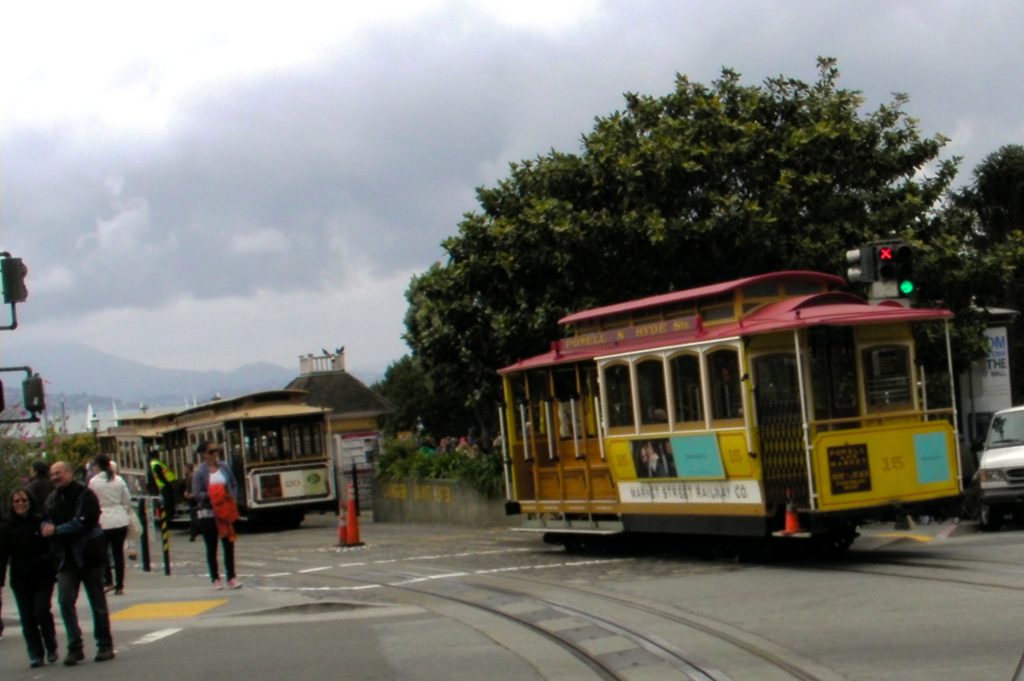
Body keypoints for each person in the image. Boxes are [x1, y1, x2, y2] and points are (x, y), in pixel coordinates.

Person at [41, 461, 115, 665]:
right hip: (66, 560)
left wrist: (57, 530)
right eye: (52, 474)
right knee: (65, 601)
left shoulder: (85, 495)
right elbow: (45, 521)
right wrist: (46, 528)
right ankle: (75, 647)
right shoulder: (51, 499)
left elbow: (84, 522)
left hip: (90, 556)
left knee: (97, 603)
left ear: (69, 473)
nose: (56, 477)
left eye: (59, 473)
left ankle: (105, 645)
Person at [0, 488, 59, 667]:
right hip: (20, 578)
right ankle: (35, 653)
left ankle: (51, 645)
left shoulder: (40, 521)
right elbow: (2, 556)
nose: (20, 504)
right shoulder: (6, 526)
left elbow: (52, 545)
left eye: (23, 500)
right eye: (16, 501)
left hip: (43, 575)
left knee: (41, 611)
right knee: (27, 618)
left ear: (30, 501)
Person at [192, 440, 242, 590]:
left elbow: (233, 484)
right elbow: (197, 493)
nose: (214, 455)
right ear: (204, 455)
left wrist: (231, 496)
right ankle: (215, 578)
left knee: (229, 545)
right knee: (211, 547)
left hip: (225, 512)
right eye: (211, 452)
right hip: (209, 512)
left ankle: (231, 577)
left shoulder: (224, 467)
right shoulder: (200, 472)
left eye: (216, 451)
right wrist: (212, 495)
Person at [88, 454, 131, 595]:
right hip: (119, 519)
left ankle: (108, 581)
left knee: (103, 553)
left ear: (97, 466)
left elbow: (91, 501)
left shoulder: (93, 482)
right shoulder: (118, 480)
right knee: (118, 554)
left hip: (103, 520)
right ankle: (120, 585)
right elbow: (126, 499)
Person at [148, 447, 177, 521]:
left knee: (168, 501)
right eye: (157, 454)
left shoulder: (154, 463)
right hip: (165, 485)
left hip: (164, 484)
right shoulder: (155, 463)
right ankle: (170, 516)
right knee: (169, 501)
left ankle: (170, 515)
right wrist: (167, 483)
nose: (158, 455)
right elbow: (160, 475)